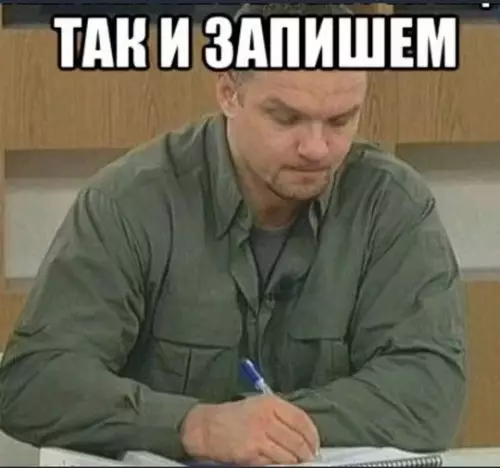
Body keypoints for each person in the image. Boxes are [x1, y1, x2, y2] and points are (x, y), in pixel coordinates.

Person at [0, 3, 467, 466]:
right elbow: (33, 382)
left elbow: (429, 391)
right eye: (286, 118)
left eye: (340, 120)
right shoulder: (128, 203)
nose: (316, 148)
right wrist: (195, 426)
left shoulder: (392, 205)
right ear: (229, 93)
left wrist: (268, 428)